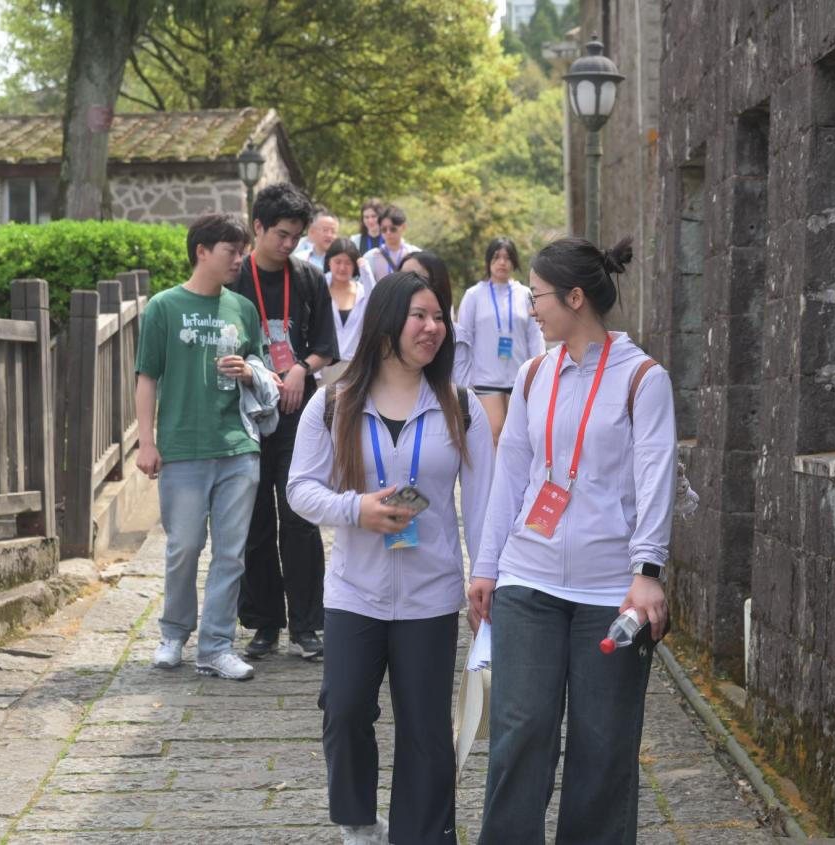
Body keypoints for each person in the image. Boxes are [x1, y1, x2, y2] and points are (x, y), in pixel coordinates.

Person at [468, 237, 677, 844]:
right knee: (521, 733)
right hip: (527, 581)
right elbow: (510, 478)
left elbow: (656, 477)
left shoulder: (643, 379)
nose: (530, 308)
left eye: (536, 296)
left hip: (612, 592)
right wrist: (487, 568)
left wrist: (648, 571)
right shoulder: (533, 374)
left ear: (575, 297)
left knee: (603, 746)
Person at [287, 271, 495, 845]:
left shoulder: (460, 404)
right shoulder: (334, 401)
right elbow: (300, 489)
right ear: (386, 322)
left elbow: (483, 501)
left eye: (439, 316)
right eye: (420, 316)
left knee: (427, 729)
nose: (434, 328)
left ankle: (424, 835)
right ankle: (358, 821)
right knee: (346, 707)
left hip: (431, 593)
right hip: (356, 590)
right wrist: (357, 510)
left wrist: (486, 574)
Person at [136, 213, 272, 682]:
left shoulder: (243, 309)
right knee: (184, 546)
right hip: (183, 447)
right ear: (202, 251)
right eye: (231, 250)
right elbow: (147, 376)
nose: (239, 258)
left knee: (232, 553)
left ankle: (216, 645)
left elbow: (260, 362)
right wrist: (147, 442)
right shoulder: (163, 307)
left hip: (238, 445)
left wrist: (250, 370)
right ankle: (174, 632)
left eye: (241, 250)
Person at [230, 182, 340, 662]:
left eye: (296, 235)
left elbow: (325, 347)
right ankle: (263, 623)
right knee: (253, 519)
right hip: (246, 414)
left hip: (299, 413)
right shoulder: (233, 280)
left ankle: (307, 624)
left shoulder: (309, 277)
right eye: (280, 234)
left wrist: (300, 368)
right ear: (257, 227)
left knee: (299, 519)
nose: (288, 244)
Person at [453, 237, 544, 444]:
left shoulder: (525, 294)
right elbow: (463, 340)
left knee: (518, 437)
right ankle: (494, 477)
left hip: (519, 377)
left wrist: (538, 373)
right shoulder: (474, 295)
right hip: (485, 377)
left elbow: (535, 335)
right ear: (488, 261)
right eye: (497, 257)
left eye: (507, 257)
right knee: (494, 432)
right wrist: (463, 381)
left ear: (514, 262)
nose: (502, 262)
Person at [323, 237, 370, 384]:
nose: (342, 268)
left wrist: (366, 271)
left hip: (355, 367)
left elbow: (376, 302)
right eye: (338, 262)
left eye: (348, 263)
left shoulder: (363, 292)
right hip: (323, 365)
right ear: (328, 261)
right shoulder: (319, 289)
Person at [365, 205, 419, 283]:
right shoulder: (371, 256)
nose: (388, 233)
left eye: (393, 229)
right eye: (384, 229)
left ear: (404, 227)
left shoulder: (415, 254)